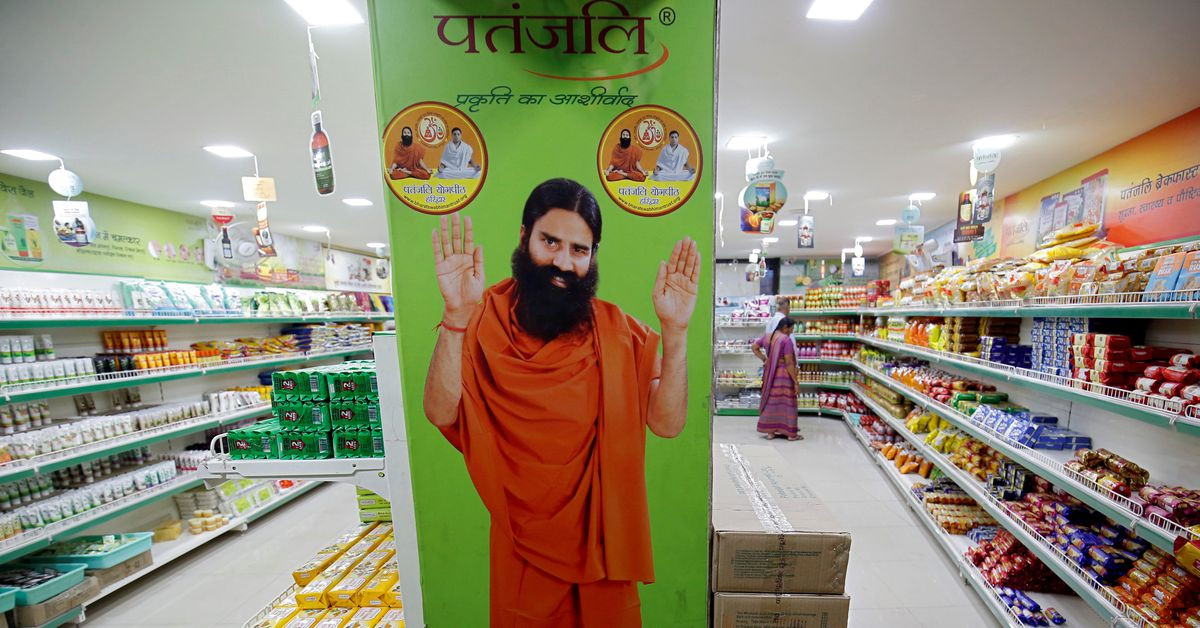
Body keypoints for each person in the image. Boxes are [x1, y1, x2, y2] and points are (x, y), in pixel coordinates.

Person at [423, 178, 700, 627]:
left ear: (592, 257)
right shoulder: (481, 318)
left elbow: (667, 424)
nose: (562, 262)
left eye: (579, 249)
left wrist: (677, 332)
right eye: (550, 241)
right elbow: (439, 411)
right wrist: (455, 316)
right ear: (524, 236)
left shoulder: (617, 332)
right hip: (521, 552)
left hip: (602, 550)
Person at [751, 317, 802, 440]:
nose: (791, 332)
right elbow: (789, 363)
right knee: (787, 402)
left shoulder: (768, 336)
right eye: (791, 329)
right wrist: (795, 381)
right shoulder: (786, 340)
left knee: (771, 400)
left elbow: (754, 347)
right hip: (783, 375)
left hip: (770, 374)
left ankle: (770, 432)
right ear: (785, 328)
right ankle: (790, 434)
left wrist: (764, 359)